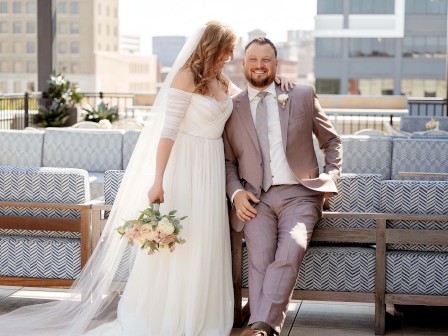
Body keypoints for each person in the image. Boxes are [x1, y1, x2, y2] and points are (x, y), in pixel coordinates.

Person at [0, 22, 292, 336]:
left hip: (211, 167)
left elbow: (249, 97)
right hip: (186, 165)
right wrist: (158, 180)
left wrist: (275, 81)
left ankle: (202, 314)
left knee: (206, 240)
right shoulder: (185, 77)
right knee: (184, 241)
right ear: (212, 47)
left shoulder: (221, 79)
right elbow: (167, 133)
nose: (232, 55)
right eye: (227, 49)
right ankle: (169, 315)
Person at [223, 37, 343, 336]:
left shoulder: (300, 94)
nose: (259, 65)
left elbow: (332, 142)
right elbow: (226, 162)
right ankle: (263, 330)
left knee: (292, 247)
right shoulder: (231, 107)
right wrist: (236, 193)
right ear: (243, 64)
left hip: (300, 195)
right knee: (261, 259)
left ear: (276, 65)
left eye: (266, 60)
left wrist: (330, 178)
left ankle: (260, 326)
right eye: (253, 59)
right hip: (255, 199)